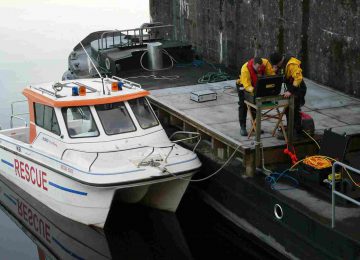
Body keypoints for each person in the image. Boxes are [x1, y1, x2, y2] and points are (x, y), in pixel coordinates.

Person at [269, 52, 307, 137]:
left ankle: (296, 133)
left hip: (298, 89)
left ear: (279, 62)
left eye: (276, 65)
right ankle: (291, 130)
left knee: (293, 110)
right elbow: (284, 77)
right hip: (292, 88)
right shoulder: (282, 64)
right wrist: (275, 71)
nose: (277, 67)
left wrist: (290, 91)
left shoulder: (291, 64)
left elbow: (298, 78)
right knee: (288, 110)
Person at [236, 57, 275, 136]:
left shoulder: (266, 63)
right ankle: (242, 127)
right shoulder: (245, 69)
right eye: (258, 67)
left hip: (256, 85)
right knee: (243, 105)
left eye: (261, 67)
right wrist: (256, 91)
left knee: (255, 105)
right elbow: (247, 86)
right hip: (244, 85)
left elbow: (272, 76)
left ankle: (255, 126)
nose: (260, 69)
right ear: (253, 65)